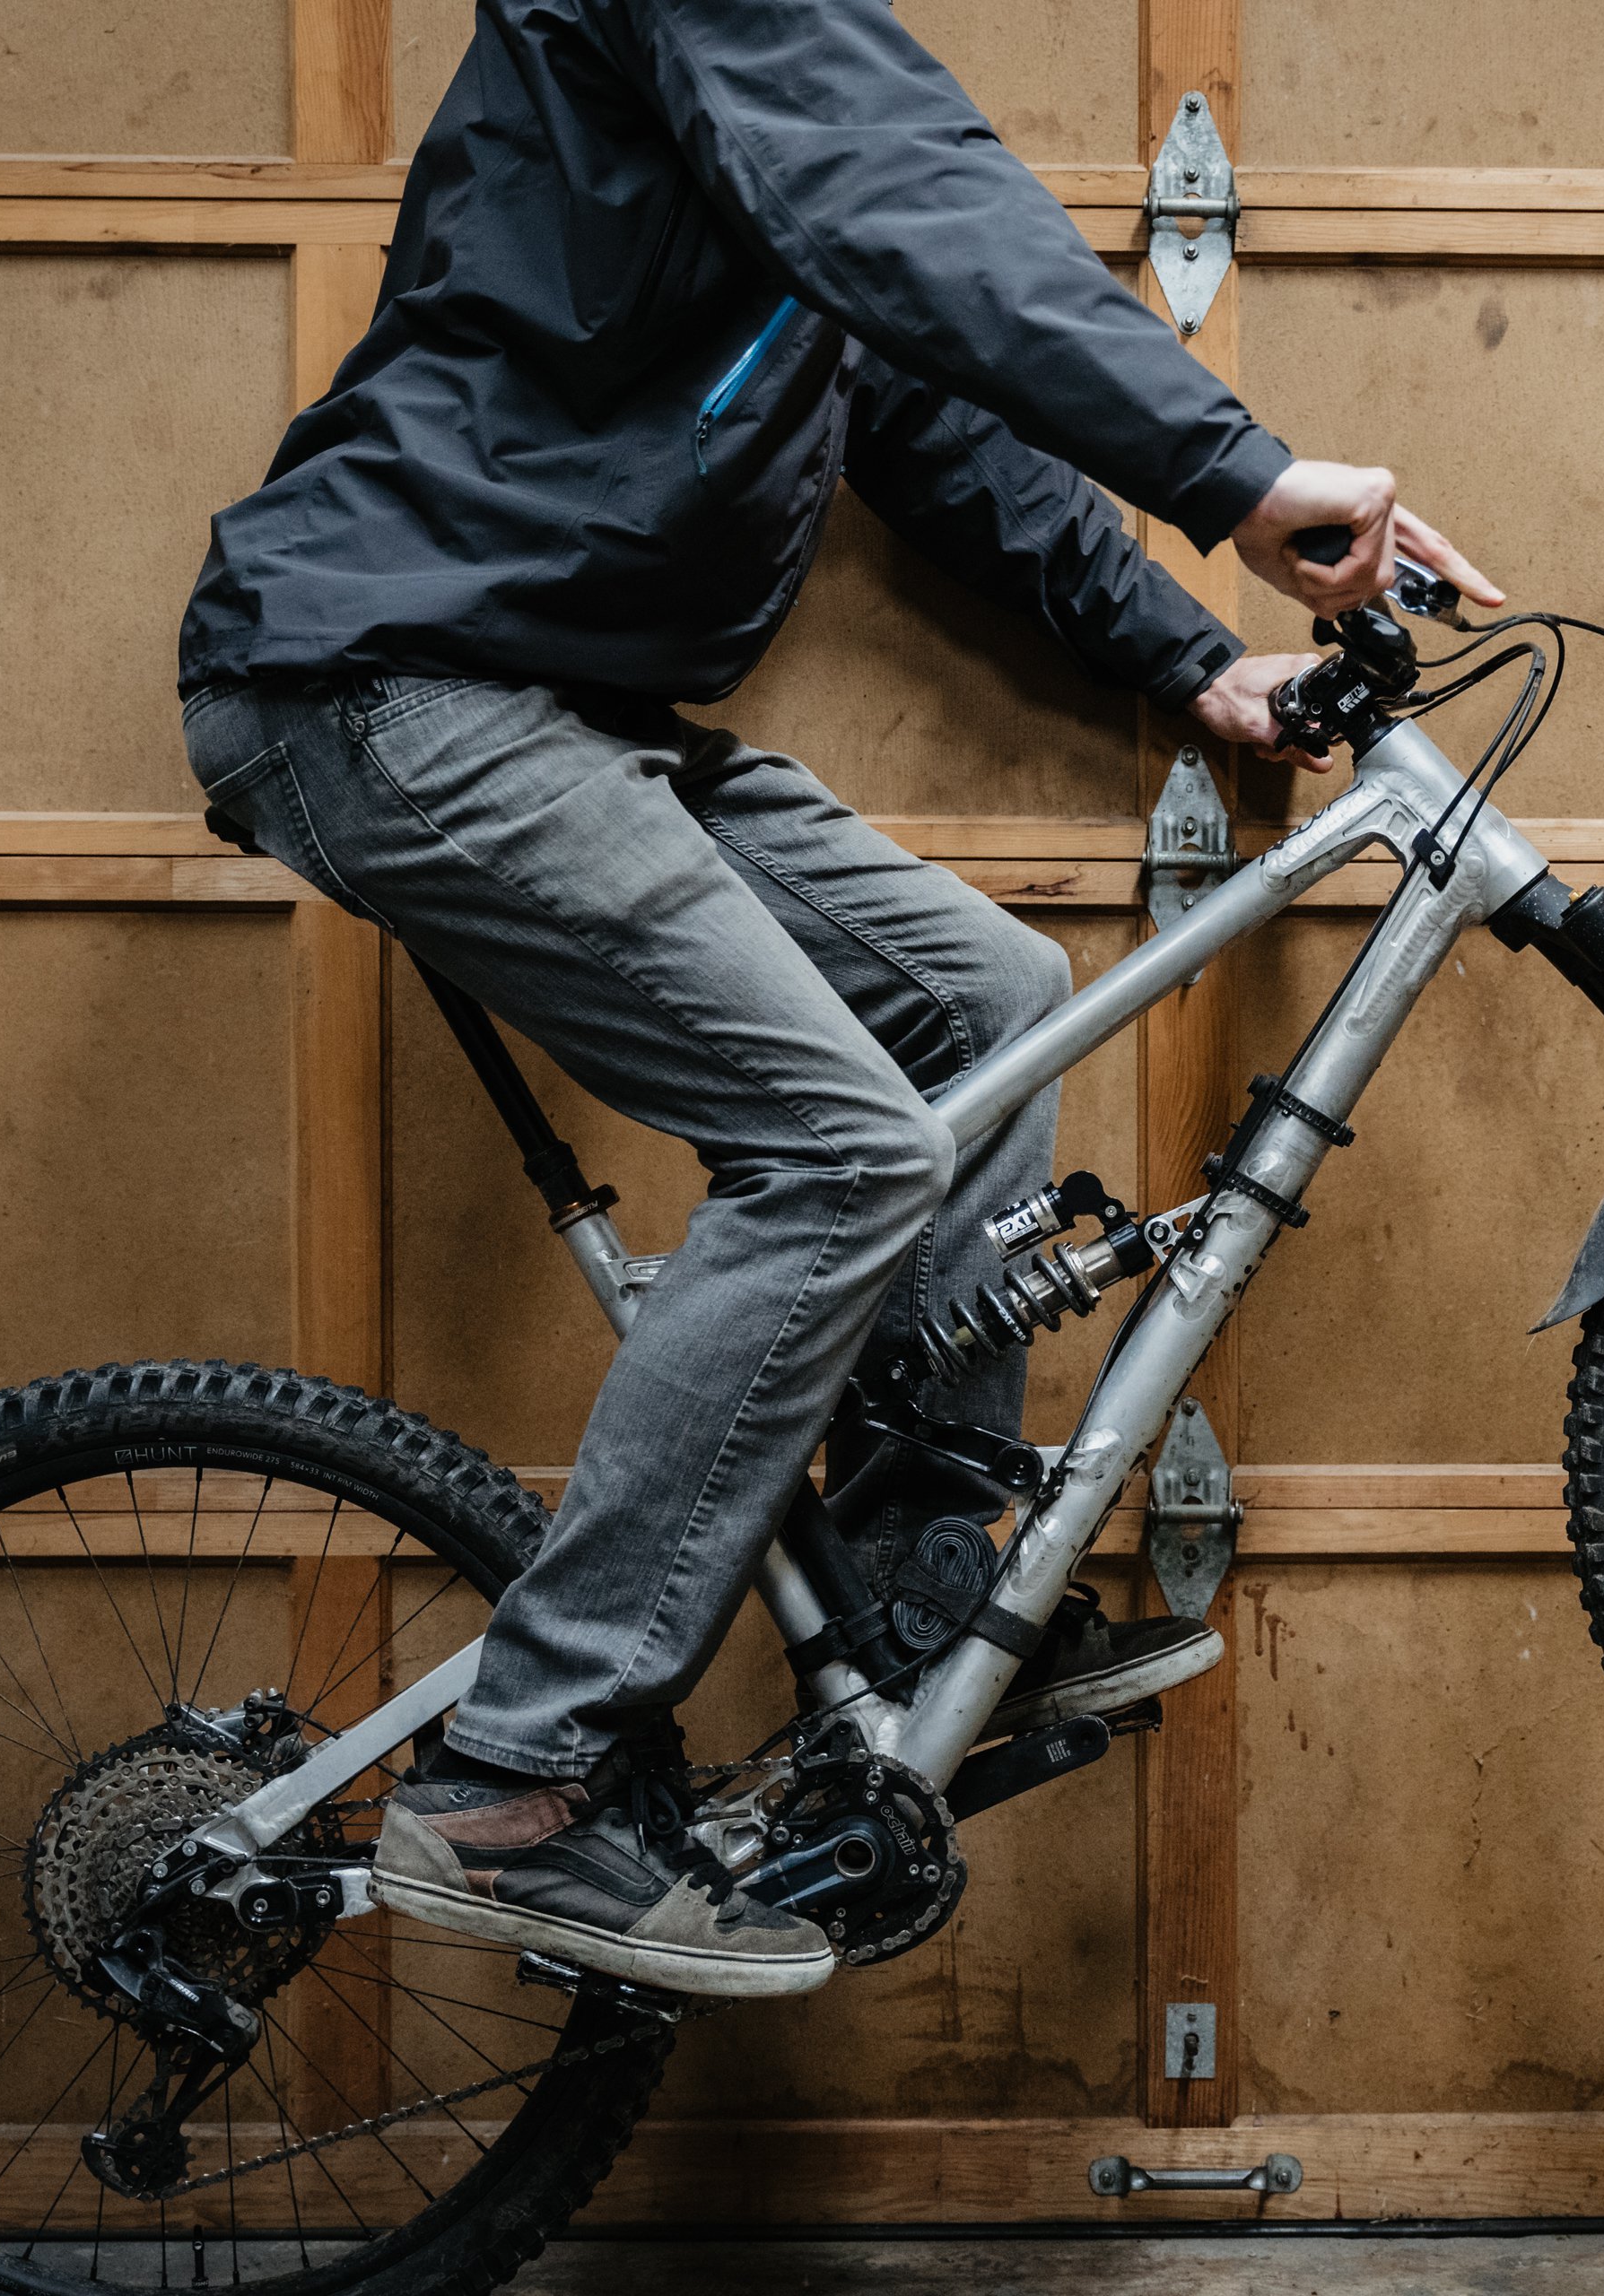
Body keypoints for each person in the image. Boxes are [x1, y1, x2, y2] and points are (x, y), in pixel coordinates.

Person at [175, 0, 1494, 1997]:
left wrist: (1191, 655)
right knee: (841, 1144)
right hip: (392, 683)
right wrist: (1233, 471)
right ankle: (516, 1775)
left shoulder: (758, 108)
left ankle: (902, 1591)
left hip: (552, 702)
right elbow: (896, 202)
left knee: (986, 994)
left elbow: (930, 408)